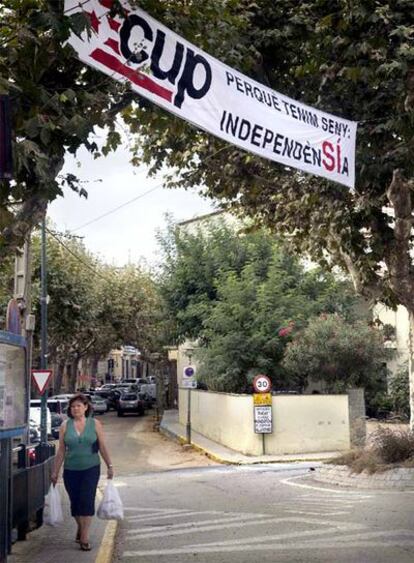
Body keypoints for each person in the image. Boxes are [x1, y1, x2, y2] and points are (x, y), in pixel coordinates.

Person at [51, 393, 114, 551]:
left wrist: (110, 465)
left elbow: (102, 446)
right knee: (75, 503)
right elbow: (61, 451)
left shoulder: (95, 424)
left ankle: (84, 537)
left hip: (91, 468)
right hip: (71, 470)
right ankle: (80, 527)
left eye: (79, 406)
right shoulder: (65, 425)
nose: (75, 409)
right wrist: (55, 471)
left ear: (86, 407)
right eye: (72, 407)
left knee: (86, 500)